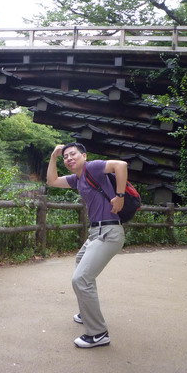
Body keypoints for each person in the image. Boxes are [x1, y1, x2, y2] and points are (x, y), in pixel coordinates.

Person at [47, 142, 128, 348]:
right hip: (96, 233)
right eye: (66, 157)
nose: (69, 158)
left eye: (73, 154)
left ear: (84, 156)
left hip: (108, 232)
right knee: (80, 262)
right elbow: (52, 181)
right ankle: (86, 313)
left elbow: (121, 165)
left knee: (81, 279)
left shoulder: (92, 167)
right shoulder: (78, 178)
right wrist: (54, 156)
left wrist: (119, 197)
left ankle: (98, 333)